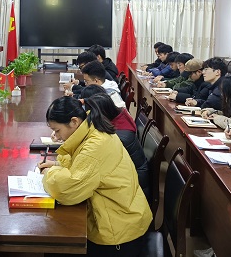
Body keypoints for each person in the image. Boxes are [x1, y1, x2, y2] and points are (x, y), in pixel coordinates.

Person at [39, 96, 152, 257]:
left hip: (117, 234)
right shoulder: (92, 129)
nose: (56, 136)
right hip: (121, 215)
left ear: (74, 121)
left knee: (56, 244)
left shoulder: (95, 144)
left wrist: (49, 173)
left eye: (57, 130)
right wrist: (57, 165)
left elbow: (66, 190)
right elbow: (81, 164)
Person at [79, 91, 150, 200]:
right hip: (129, 179)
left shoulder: (117, 138)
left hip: (133, 189)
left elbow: (95, 165)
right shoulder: (119, 117)